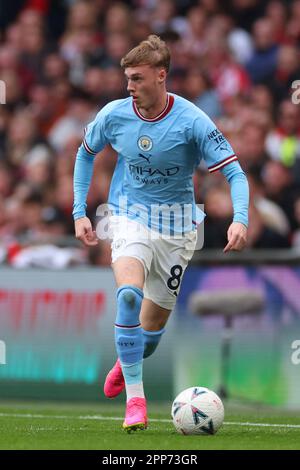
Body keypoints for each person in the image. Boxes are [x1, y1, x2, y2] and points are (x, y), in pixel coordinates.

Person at [73, 35, 249, 432]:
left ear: (161, 75)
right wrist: (78, 211)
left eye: (137, 78)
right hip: (127, 217)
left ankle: (126, 360)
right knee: (129, 295)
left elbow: (235, 172)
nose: (129, 86)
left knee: (149, 335)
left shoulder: (192, 120)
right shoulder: (115, 115)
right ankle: (136, 401)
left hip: (178, 230)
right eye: (127, 79)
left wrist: (241, 217)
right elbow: (85, 153)